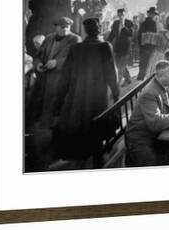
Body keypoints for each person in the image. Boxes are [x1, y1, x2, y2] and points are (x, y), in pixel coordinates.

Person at [51, 18, 119, 167]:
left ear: (85, 30)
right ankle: (97, 161)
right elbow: (112, 75)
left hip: (77, 96)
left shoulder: (76, 49)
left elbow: (65, 78)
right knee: (97, 127)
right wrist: (116, 95)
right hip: (98, 96)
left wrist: (59, 101)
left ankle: (80, 163)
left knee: (81, 128)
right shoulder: (105, 47)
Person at [125, 60, 169, 166]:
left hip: (157, 134)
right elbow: (155, 122)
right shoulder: (149, 93)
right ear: (159, 76)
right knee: (154, 164)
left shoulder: (167, 84)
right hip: (140, 139)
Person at [28, 17, 81, 130]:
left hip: (63, 80)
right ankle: (43, 129)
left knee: (59, 108)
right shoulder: (49, 38)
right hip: (45, 79)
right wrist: (38, 65)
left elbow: (76, 59)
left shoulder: (75, 39)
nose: (65, 29)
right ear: (56, 27)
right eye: (62, 27)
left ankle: (57, 130)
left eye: (67, 27)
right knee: (42, 106)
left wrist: (57, 63)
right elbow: (38, 56)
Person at [137, 7, 159, 80]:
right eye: (153, 14)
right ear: (151, 14)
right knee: (148, 66)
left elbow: (139, 36)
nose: (153, 15)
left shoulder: (143, 23)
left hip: (143, 48)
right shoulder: (154, 23)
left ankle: (139, 82)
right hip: (150, 48)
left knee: (142, 66)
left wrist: (140, 46)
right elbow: (155, 37)